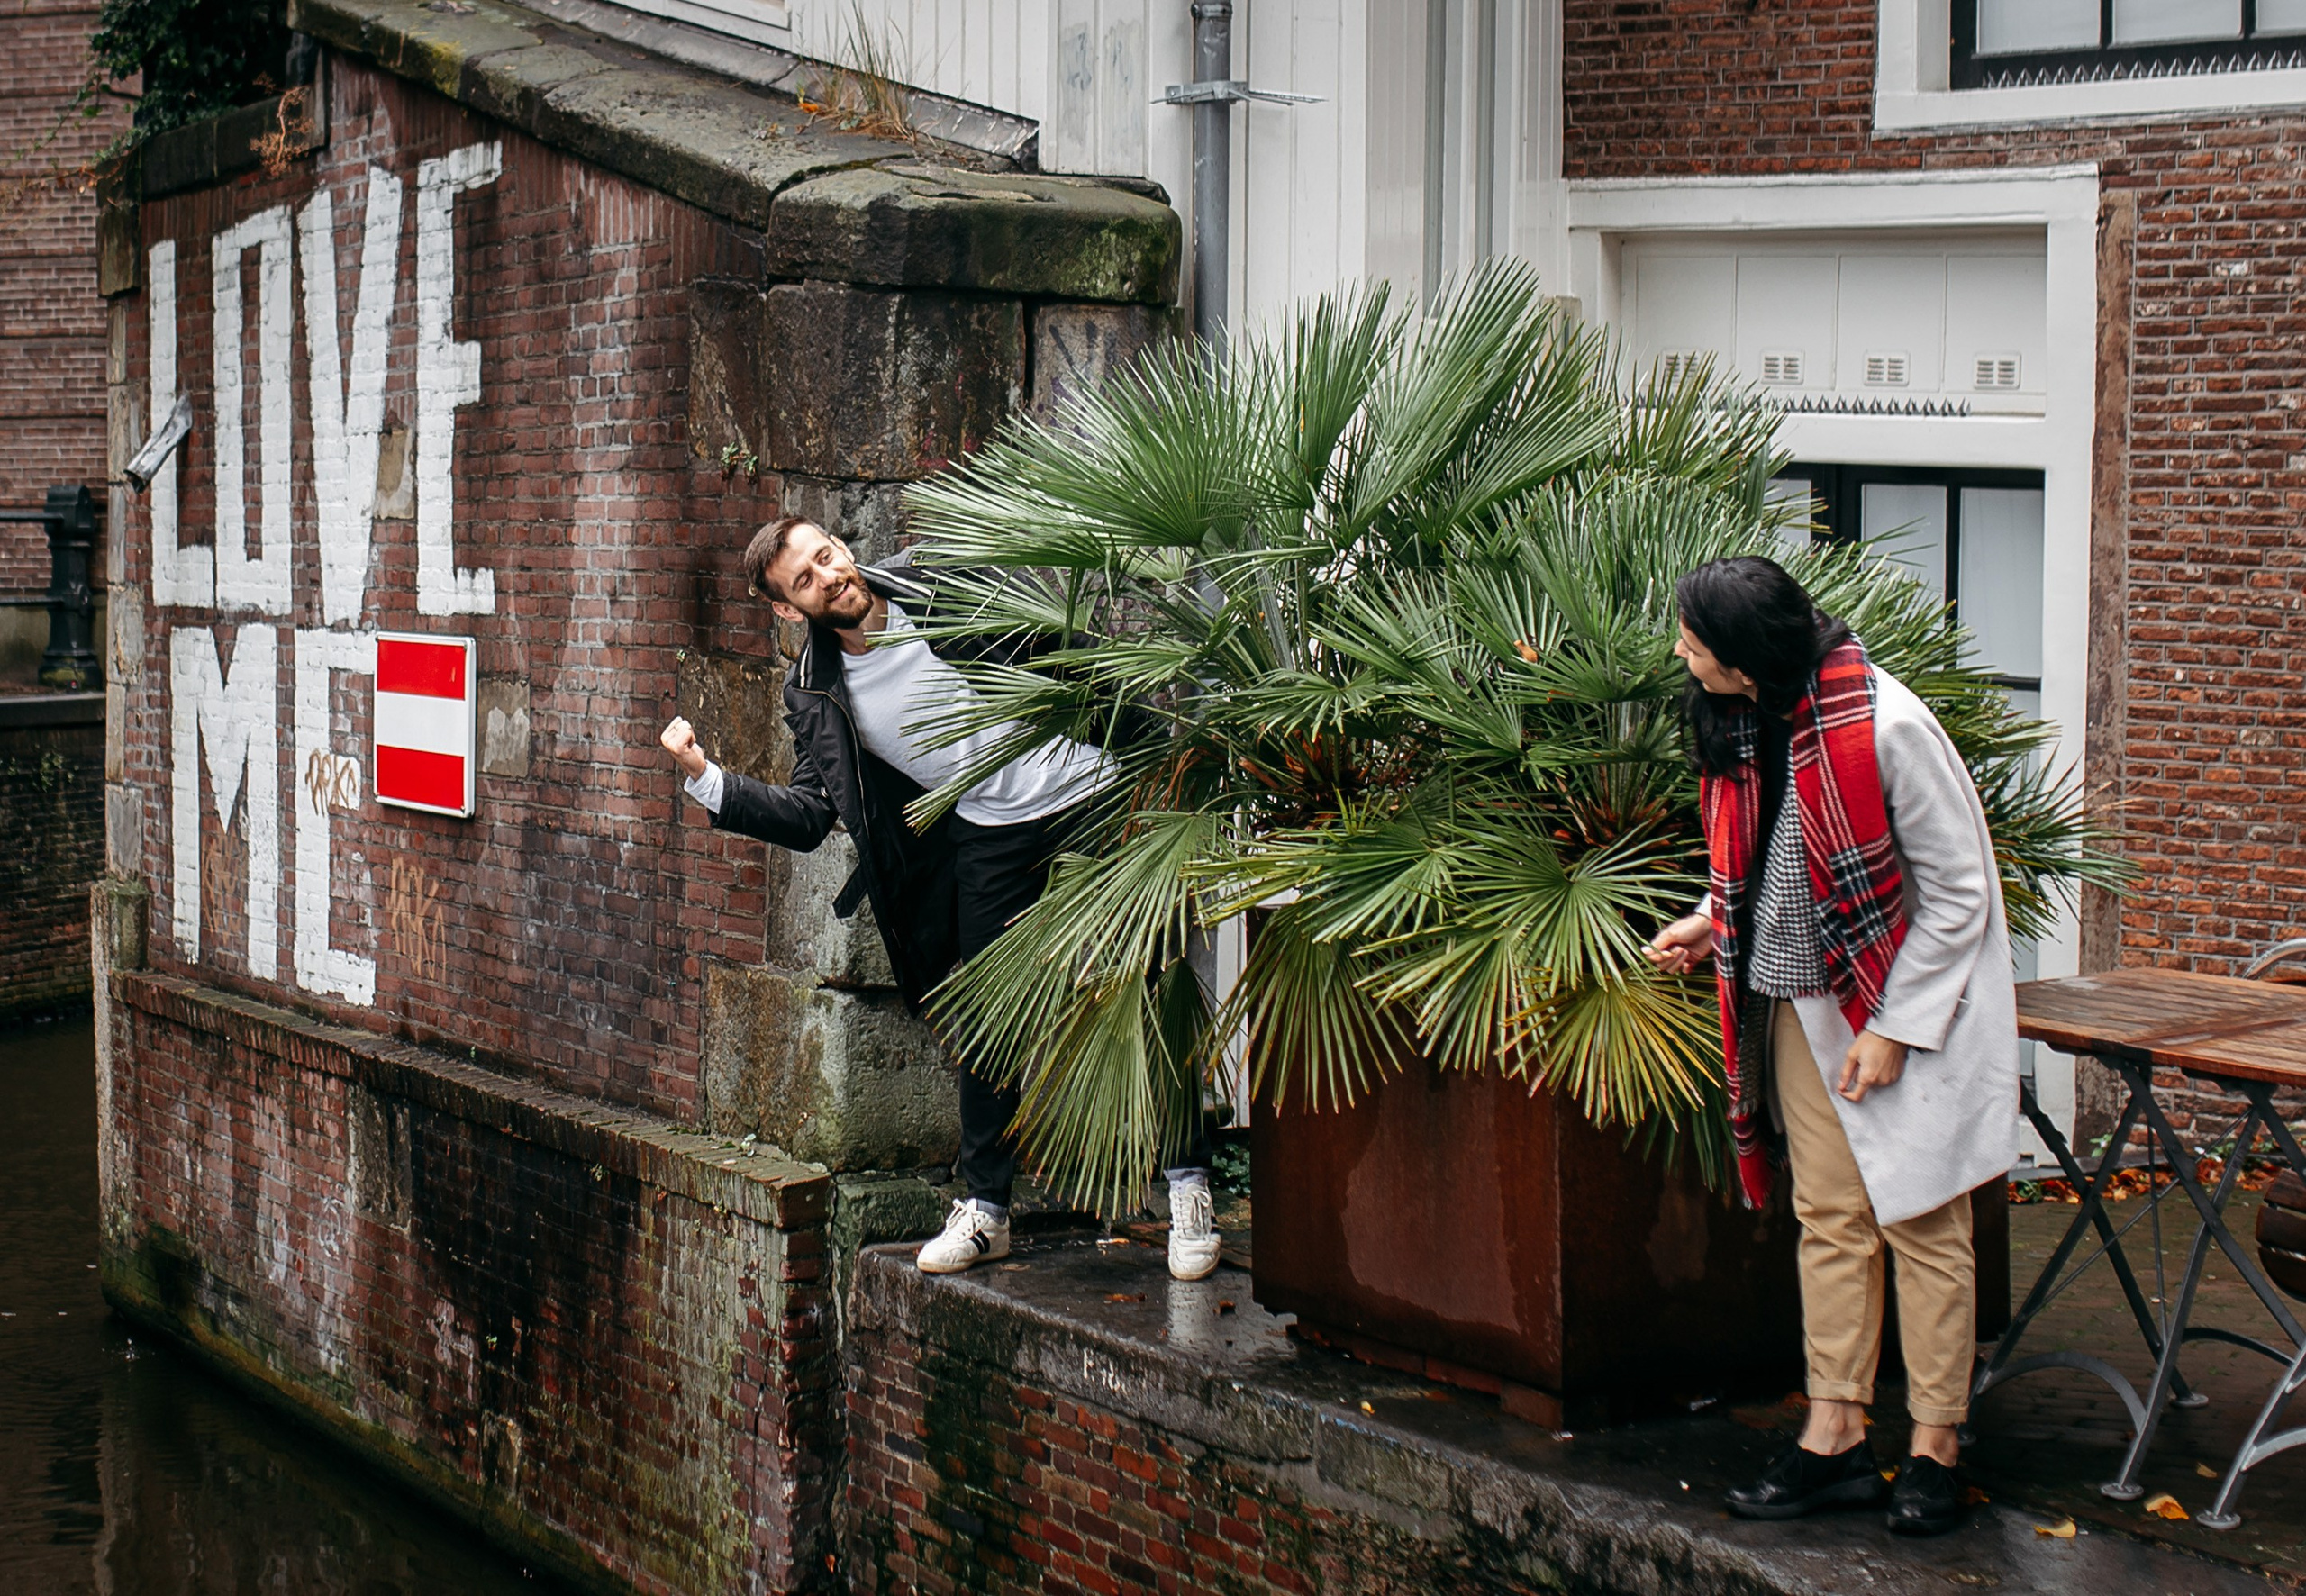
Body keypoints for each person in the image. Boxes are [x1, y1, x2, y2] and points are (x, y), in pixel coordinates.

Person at [659, 515, 1221, 1280]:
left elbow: (1069, 651)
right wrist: (705, 777)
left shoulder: (938, 585)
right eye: (805, 580)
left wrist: (1159, 744)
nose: (829, 576)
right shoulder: (815, 691)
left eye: (826, 556)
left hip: (1093, 790)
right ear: (790, 609)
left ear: (841, 548)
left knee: (1152, 983)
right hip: (991, 828)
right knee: (985, 1018)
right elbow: (811, 814)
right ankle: (988, 1210)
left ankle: (1189, 1185)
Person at [1644, 556, 2019, 1538]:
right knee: (1830, 1215)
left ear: (1746, 655)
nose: (1680, 649)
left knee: (1922, 1222)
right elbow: (1778, 854)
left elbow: (1959, 893)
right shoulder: (1752, 715)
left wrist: (1896, 1028)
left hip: (1900, 1003)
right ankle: (1835, 1436)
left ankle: (1935, 1447)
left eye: (1694, 638)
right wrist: (1708, 917)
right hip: (1801, 999)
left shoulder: (1884, 726)